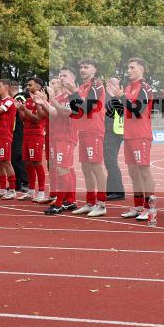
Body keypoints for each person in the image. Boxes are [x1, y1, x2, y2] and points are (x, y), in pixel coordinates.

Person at [108, 58, 157, 220]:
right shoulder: (128, 87)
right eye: (127, 67)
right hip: (128, 135)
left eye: (132, 67)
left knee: (143, 170)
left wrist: (122, 97)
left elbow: (137, 110)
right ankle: (138, 206)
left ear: (142, 69)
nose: (128, 70)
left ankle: (150, 208)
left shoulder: (145, 87)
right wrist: (115, 99)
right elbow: (123, 110)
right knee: (133, 172)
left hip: (140, 135)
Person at [68, 59, 108, 217]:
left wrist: (73, 93)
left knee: (96, 167)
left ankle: (102, 204)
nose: (82, 70)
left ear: (94, 69)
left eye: (86, 67)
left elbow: (87, 107)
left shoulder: (97, 84)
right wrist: (73, 93)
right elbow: (76, 110)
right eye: (81, 67)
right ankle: (90, 202)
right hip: (82, 130)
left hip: (94, 129)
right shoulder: (80, 87)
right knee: (85, 167)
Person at [44, 69, 79, 215]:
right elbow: (54, 114)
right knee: (67, 168)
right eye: (60, 76)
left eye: (64, 76)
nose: (61, 78)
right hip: (58, 135)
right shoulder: (62, 96)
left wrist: (51, 99)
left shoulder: (74, 96)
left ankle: (59, 203)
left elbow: (66, 113)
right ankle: (70, 200)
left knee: (62, 169)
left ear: (72, 78)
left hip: (67, 136)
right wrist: (43, 102)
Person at [16, 77, 53, 204]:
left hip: (36, 135)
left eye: (30, 84)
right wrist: (20, 109)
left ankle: (41, 192)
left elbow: (38, 118)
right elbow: (23, 119)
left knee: (37, 163)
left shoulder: (42, 100)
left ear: (38, 87)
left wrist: (25, 110)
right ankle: (31, 191)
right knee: (27, 163)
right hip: (26, 134)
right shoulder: (27, 100)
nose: (27, 86)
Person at [103, 77, 126, 201]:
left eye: (117, 84)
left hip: (113, 132)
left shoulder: (115, 97)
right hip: (111, 131)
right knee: (109, 161)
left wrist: (114, 97)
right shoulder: (106, 96)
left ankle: (118, 191)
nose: (115, 86)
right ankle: (111, 190)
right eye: (112, 84)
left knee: (110, 161)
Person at [8, 82, 30, 193]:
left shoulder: (19, 97)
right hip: (14, 131)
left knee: (18, 157)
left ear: (10, 88)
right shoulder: (13, 98)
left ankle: (25, 182)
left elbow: (24, 113)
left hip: (19, 130)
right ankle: (17, 183)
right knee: (14, 158)